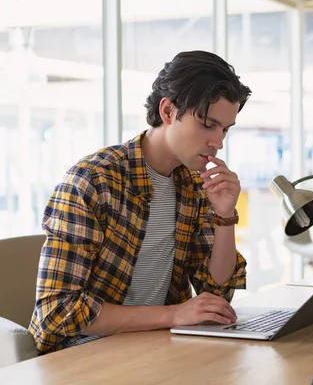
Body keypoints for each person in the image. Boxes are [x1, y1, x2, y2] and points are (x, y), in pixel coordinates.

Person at [28, 50, 252, 354]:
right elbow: (58, 311)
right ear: (168, 111)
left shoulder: (193, 185)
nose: (218, 142)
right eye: (207, 124)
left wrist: (225, 216)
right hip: (81, 355)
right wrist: (173, 314)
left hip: (156, 348)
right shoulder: (94, 181)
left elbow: (216, 295)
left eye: (225, 129)